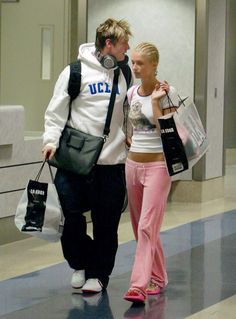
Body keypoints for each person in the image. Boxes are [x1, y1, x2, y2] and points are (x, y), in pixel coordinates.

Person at [42, 18, 132, 294]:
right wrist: (50, 141)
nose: (127, 47)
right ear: (108, 44)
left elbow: (128, 110)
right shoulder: (75, 72)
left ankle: (98, 274)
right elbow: (56, 110)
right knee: (69, 217)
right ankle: (80, 261)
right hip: (75, 162)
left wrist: (130, 134)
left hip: (111, 163)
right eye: (123, 43)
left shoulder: (124, 73)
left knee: (107, 224)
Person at [123, 42, 178, 303]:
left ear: (154, 65)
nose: (135, 67)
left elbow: (167, 132)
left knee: (147, 226)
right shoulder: (132, 92)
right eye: (133, 62)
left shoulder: (167, 93)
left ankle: (138, 285)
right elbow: (129, 126)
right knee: (140, 227)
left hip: (158, 166)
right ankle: (158, 276)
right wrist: (128, 139)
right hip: (132, 165)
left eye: (140, 63)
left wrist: (156, 103)